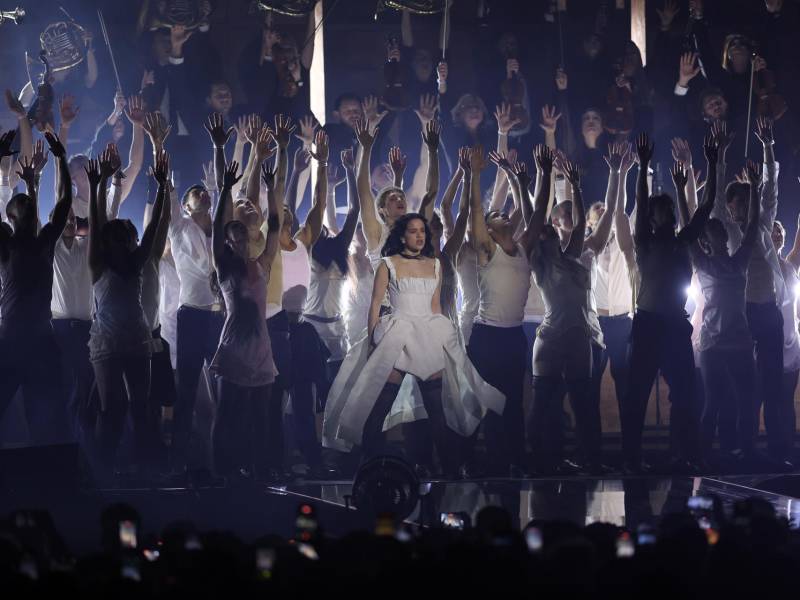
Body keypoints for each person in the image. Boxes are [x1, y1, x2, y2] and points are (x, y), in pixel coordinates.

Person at [322, 213, 504, 477]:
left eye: (422, 231)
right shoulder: (388, 264)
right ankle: (368, 466)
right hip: (397, 333)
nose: (419, 236)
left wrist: (442, 336)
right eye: (413, 231)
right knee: (378, 407)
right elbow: (375, 304)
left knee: (437, 410)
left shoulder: (436, 264)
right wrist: (374, 340)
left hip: (428, 333)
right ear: (402, 235)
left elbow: (435, 307)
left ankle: (449, 471)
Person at [622, 131, 717, 474]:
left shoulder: (682, 242)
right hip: (648, 324)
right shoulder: (644, 242)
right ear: (652, 218)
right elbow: (642, 205)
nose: (665, 215)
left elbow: (705, 208)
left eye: (668, 211)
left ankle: (686, 453)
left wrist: (712, 163)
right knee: (636, 395)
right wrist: (643, 165)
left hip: (675, 325)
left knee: (687, 396)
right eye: (659, 211)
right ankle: (631, 458)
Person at [712, 117, 791, 469]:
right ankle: (738, 448)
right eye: (738, 202)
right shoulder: (730, 230)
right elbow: (714, 199)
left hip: (769, 311)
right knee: (742, 387)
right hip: (742, 315)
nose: (743, 205)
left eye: (747, 199)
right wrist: (720, 157)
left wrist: (768, 146)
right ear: (732, 207)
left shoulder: (761, 224)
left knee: (773, 386)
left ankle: (777, 452)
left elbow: (772, 188)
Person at [85, 148, 168, 478]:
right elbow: (96, 225)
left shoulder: (135, 264)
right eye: (124, 239)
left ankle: (140, 467)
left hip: (134, 339)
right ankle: (105, 469)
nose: (129, 243)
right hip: (109, 342)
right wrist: (98, 185)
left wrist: (163, 188)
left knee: (137, 408)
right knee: (115, 409)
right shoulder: (99, 264)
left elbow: (151, 231)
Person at [463, 145, 539, 477]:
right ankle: (478, 461)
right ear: (489, 230)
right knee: (486, 402)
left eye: (505, 214)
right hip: (487, 336)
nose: (503, 214)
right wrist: (475, 176)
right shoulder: (485, 249)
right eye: (497, 216)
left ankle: (515, 458)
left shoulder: (523, 248)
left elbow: (535, 215)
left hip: (513, 335)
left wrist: (527, 180)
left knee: (514, 402)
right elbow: (476, 211)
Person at [209, 157, 279, 482]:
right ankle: (222, 470)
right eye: (232, 237)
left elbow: (275, 226)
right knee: (227, 414)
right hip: (235, 347)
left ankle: (259, 469)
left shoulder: (262, 263)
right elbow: (215, 227)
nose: (238, 241)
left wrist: (271, 189)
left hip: (261, 347)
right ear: (227, 242)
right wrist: (224, 188)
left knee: (261, 417)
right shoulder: (224, 267)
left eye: (242, 237)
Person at [0, 131, 70, 444]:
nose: (29, 205)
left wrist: (61, 158)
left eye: (30, 203)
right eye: (23, 204)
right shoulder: (6, 243)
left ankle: (48, 475)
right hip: (12, 338)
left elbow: (64, 204)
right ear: (10, 215)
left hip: (41, 338)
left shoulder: (45, 241)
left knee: (44, 413)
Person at [687, 158, 758, 467]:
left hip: (740, 341)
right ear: (706, 240)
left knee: (748, 399)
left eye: (720, 232)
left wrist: (755, 189)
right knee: (712, 401)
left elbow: (753, 227)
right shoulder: (703, 264)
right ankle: (702, 455)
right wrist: (681, 188)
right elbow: (690, 231)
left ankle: (748, 451)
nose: (720, 236)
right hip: (714, 343)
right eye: (713, 233)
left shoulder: (739, 260)